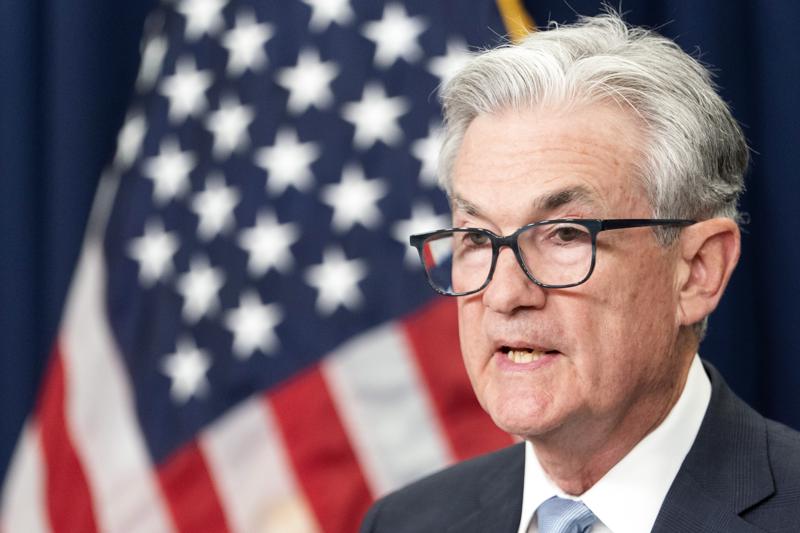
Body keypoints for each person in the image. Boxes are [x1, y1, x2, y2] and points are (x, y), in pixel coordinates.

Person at [360, 11, 800, 533]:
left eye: (565, 233)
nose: (504, 295)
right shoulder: (405, 523)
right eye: (477, 238)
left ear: (697, 270)